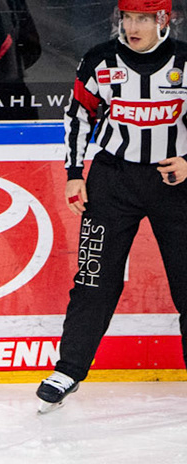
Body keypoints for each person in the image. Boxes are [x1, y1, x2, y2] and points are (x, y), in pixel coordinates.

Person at [36, 0, 187, 411]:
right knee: (93, 278)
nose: (133, 26)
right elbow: (78, 116)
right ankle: (68, 369)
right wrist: (73, 173)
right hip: (113, 182)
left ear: (163, 20)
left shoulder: (185, 61)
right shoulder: (100, 60)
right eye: (127, 17)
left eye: (143, 18)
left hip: (173, 183)